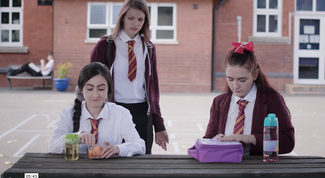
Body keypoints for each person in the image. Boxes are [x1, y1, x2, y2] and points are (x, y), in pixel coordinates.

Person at [90, 0, 168, 154]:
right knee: (110, 161)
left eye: (140, 19)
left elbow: (154, 91)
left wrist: (159, 125)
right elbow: (90, 84)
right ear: (122, 18)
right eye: (131, 18)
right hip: (114, 112)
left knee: (141, 165)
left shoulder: (149, 48)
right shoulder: (105, 45)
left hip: (142, 115)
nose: (136, 23)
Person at [204, 41, 295, 155]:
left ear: (255, 75)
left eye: (242, 80)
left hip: (260, 169)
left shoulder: (272, 99)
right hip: (225, 168)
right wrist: (213, 141)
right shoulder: (219, 102)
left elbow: (288, 142)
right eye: (230, 79)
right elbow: (207, 140)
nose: (235, 86)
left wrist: (252, 139)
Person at [48, 62, 145, 158]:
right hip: (76, 170)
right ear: (81, 89)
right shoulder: (67, 114)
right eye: (90, 89)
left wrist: (118, 149)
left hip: (111, 170)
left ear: (108, 90)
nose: (95, 94)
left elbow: (140, 145)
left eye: (101, 89)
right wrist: (77, 137)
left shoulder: (121, 113)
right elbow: (52, 147)